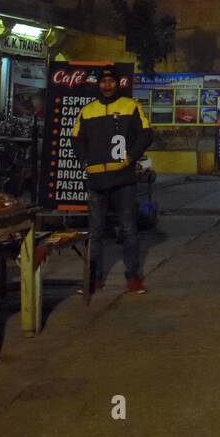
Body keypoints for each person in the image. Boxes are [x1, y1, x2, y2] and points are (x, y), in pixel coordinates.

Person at [71, 65, 153, 294]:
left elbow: (147, 134)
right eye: (103, 81)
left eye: (111, 81)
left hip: (123, 180)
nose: (107, 85)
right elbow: (76, 138)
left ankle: (133, 277)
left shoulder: (130, 106)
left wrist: (130, 158)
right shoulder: (87, 111)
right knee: (95, 232)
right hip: (96, 181)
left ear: (118, 83)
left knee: (128, 229)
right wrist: (85, 160)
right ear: (98, 84)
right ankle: (94, 279)